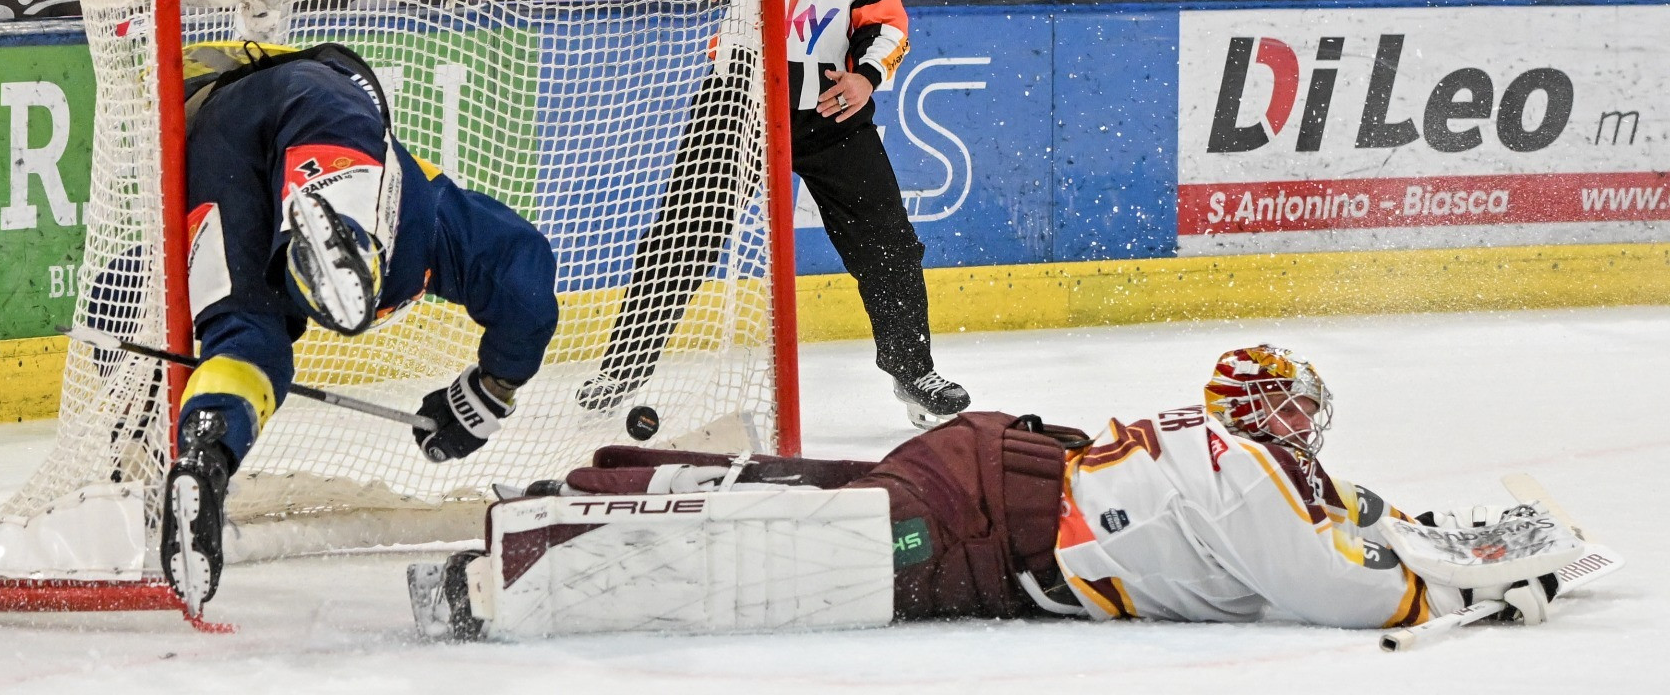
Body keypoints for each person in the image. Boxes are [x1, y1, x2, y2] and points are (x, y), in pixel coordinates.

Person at [416, 345, 1575, 638]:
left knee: (784, 493)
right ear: (1271, 420)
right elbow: (1345, 592)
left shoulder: (1232, 457)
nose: (1311, 435)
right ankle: (508, 567)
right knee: (764, 553)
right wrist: (1470, 594)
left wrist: (1454, 539)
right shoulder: (1255, 480)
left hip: (989, 467)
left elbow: (1354, 519)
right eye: (1301, 416)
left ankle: (578, 489)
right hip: (984, 525)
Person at [572, 0, 970, 429]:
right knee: (684, 239)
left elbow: (888, 21)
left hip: (833, 113)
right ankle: (623, 368)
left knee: (889, 243)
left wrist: (867, 75)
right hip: (739, 104)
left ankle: (912, 370)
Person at [156, 41, 559, 609]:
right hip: (312, 95)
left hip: (202, 156)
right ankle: (343, 239)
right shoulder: (433, 205)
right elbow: (525, 275)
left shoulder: (432, 210)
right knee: (354, 232)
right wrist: (490, 391)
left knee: (247, 340)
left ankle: (208, 455)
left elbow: (115, 290)